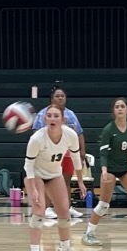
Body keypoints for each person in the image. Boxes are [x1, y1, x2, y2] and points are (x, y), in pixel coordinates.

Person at [81, 98, 127, 246]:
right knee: (103, 205)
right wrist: (103, 169)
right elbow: (103, 153)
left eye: (122, 106)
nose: (120, 109)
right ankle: (88, 233)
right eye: (117, 107)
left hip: (126, 168)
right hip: (109, 168)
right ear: (113, 111)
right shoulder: (109, 129)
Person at [24, 105, 86, 251]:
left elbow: (76, 159)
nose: (52, 119)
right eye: (49, 116)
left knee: (64, 211)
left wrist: (80, 182)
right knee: (39, 210)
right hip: (35, 174)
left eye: (55, 116)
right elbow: (28, 165)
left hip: (54, 174)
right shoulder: (37, 138)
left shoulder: (70, 135)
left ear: (62, 120)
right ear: (45, 119)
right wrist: (34, 189)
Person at [32, 84, 86, 219]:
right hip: (48, 153)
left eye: (62, 96)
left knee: (65, 181)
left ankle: (67, 207)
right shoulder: (42, 114)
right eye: (57, 96)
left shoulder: (71, 115)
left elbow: (79, 133)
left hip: (67, 153)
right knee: (49, 180)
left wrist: (82, 152)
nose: (60, 98)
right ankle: (48, 208)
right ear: (52, 99)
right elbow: (36, 135)